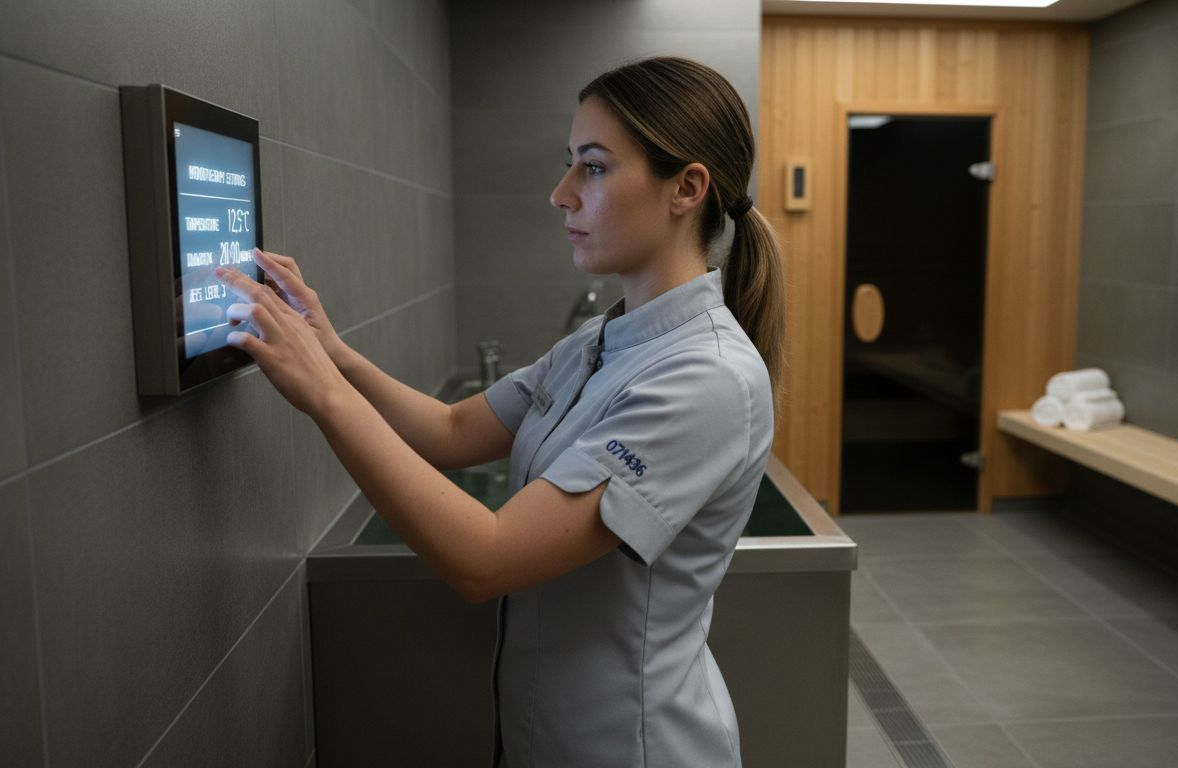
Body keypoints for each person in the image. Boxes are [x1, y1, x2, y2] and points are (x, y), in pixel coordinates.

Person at [216, 56, 785, 768]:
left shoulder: (708, 378)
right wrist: (334, 354)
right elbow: (453, 432)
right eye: (569, 165)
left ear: (687, 188)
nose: (561, 194)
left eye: (594, 168)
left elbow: (484, 560)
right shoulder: (599, 341)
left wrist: (323, 396)